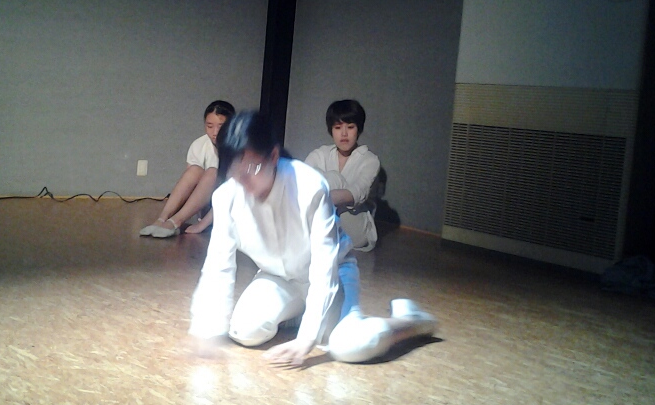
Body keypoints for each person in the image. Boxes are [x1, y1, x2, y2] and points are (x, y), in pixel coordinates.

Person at [188, 110, 436, 367]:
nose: (245, 181)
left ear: (273, 156)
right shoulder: (227, 197)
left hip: (334, 273)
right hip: (277, 276)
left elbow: (324, 267)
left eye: (252, 168)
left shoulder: (309, 186)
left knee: (349, 346)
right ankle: (300, 314)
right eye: (236, 172)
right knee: (244, 330)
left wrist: (306, 338)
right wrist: (206, 330)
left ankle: (409, 319)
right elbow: (218, 266)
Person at [140, 100, 236, 238]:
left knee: (213, 172)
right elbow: (189, 185)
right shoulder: (200, 144)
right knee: (195, 170)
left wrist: (202, 224)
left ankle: (176, 222)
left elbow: (233, 193)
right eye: (209, 126)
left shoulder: (240, 149)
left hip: (230, 209)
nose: (215, 132)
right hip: (204, 206)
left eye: (221, 126)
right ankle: (162, 219)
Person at [305, 99, 381, 252]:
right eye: (338, 127)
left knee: (333, 179)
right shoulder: (321, 154)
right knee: (312, 176)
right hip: (324, 223)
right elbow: (302, 181)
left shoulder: (370, 160)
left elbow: (358, 192)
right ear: (331, 130)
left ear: (358, 129)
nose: (344, 133)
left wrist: (322, 198)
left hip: (354, 227)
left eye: (350, 127)